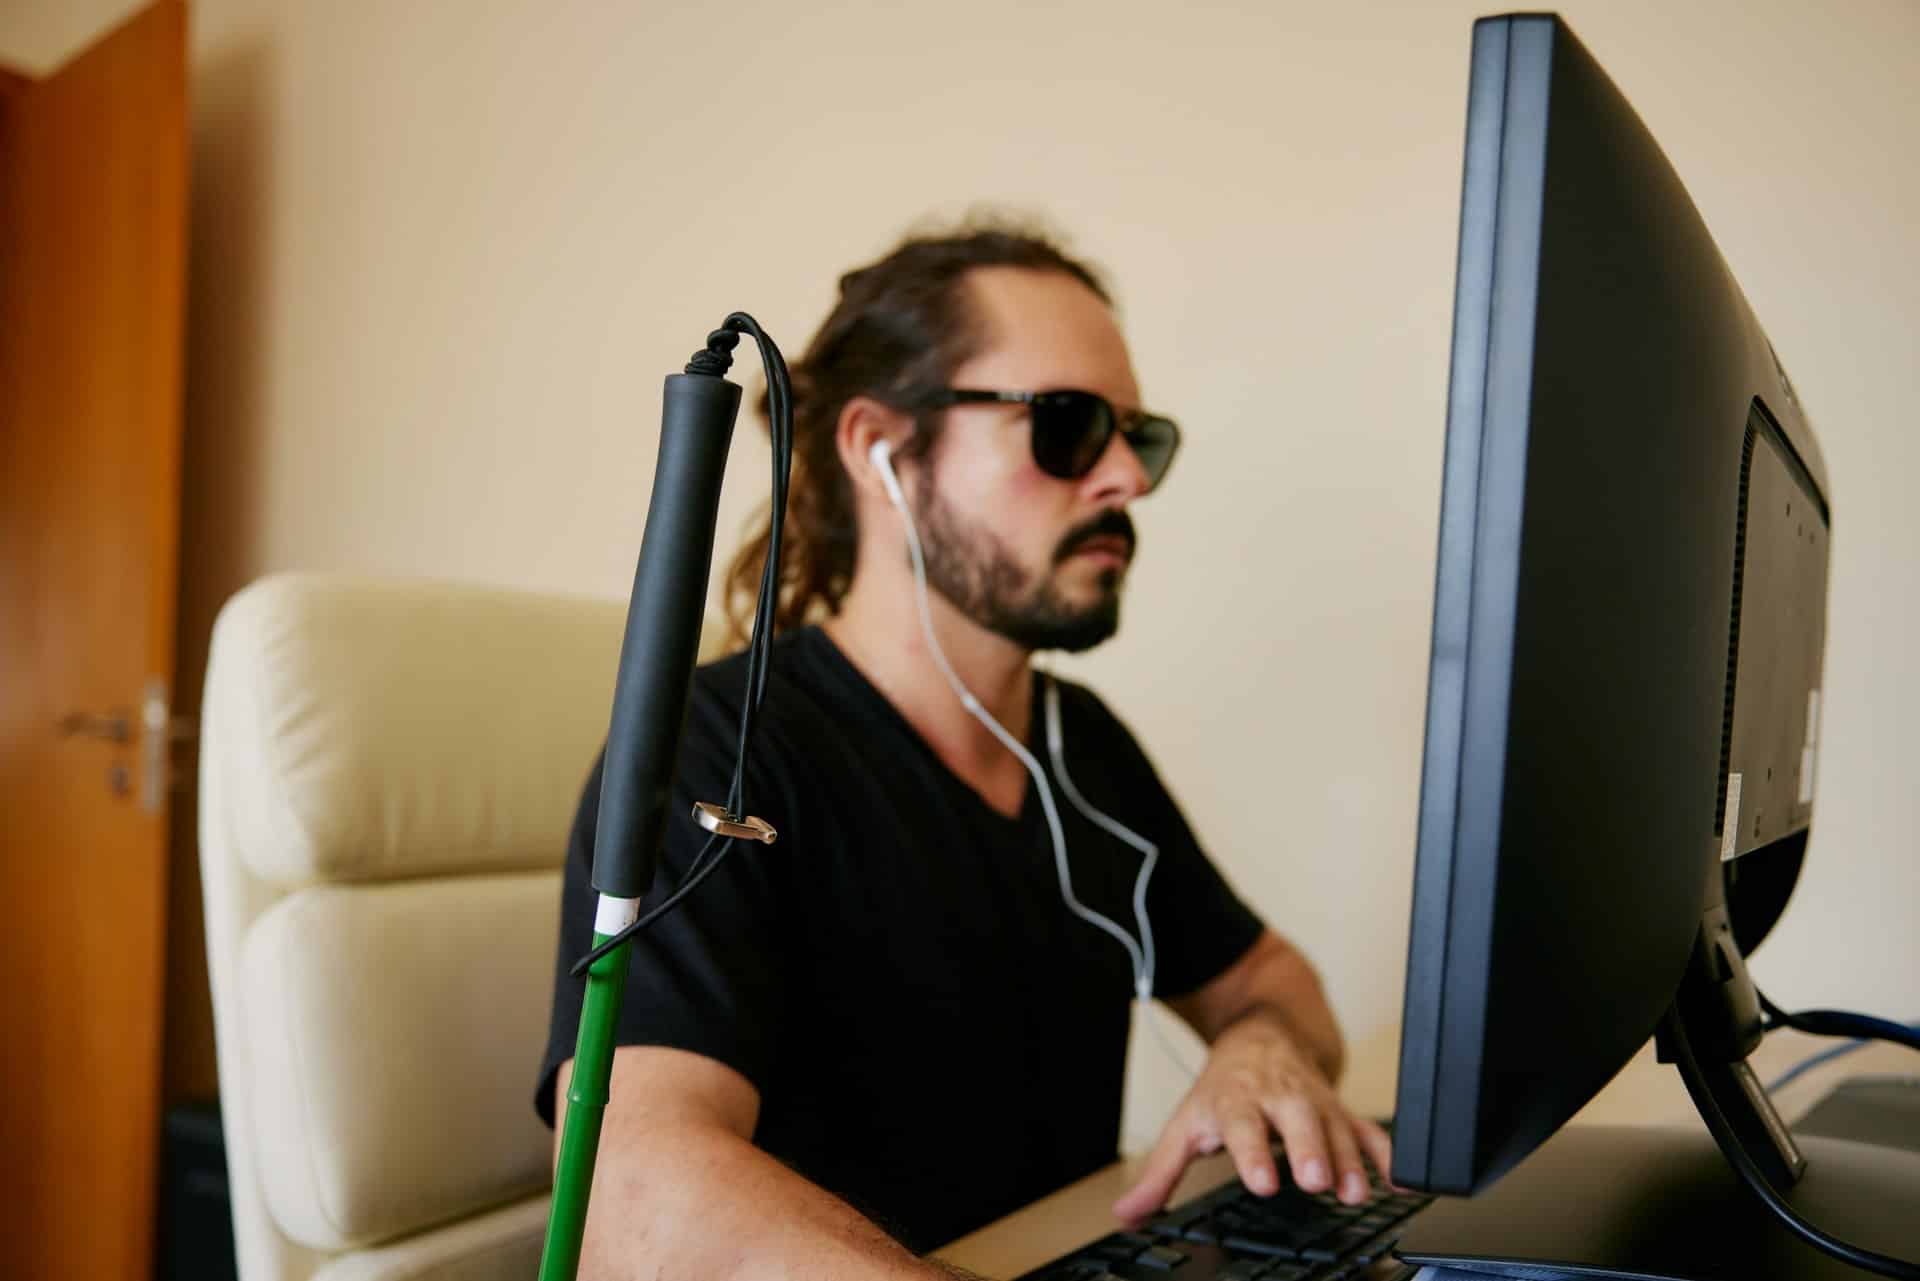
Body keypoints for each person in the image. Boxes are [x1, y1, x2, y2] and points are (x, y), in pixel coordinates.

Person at [536, 223, 1390, 1279]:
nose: (1127, 476)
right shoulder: (718, 751)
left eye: (1141, 436)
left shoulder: (1080, 750)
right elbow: (636, 1194)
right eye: (1070, 426)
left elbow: (1274, 982)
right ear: (879, 450)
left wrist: (1259, 1046)